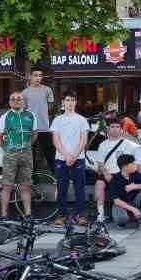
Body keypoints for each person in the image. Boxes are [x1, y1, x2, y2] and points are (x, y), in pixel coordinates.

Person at [0, 91, 37, 219]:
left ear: (23, 101)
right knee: (7, 186)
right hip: (10, 155)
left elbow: (35, 134)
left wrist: (26, 146)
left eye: (19, 99)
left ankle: (28, 214)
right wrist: (7, 149)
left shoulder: (31, 115)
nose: (16, 101)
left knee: (25, 185)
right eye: (13, 99)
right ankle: (4, 215)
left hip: (26, 154)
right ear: (9, 102)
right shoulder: (5, 117)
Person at [50, 93, 89, 225]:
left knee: (79, 188)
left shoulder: (82, 120)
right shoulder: (57, 120)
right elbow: (56, 140)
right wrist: (66, 155)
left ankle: (80, 215)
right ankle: (61, 215)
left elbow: (84, 140)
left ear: (76, 102)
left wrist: (74, 155)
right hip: (61, 158)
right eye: (68, 100)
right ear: (63, 102)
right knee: (62, 188)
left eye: (73, 100)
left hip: (79, 158)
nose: (70, 102)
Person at [92, 122, 141, 220]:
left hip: (122, 174)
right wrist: (106, 173)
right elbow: (100, 163)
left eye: (117, 127)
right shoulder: (103, 145)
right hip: (108, 172)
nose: (115, 129)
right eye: (112, 127)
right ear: (108, 129)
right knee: (99, 184)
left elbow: (132, 162)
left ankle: (127, 212)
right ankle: (100, 214)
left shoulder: (128, 144)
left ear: (121, 129)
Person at [20, 69, 54, 170]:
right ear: (30, 76)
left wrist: (42, 113)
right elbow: (23, 110)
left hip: (44, 128)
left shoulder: (47, 90)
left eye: (40, 75)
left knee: (50, 154)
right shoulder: (24, 93)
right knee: (31, 156)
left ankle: (56, 176)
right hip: (30, 129)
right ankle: (33, 177)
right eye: (35, 75)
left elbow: (50, 105)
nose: (38, 78)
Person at [109, 154, 141, 228]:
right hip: (121, 204)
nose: (135, 165)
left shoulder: (135, 174)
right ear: (125, 167)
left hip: (134, 201)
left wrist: (134, 186)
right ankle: (122, 222)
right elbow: (116, 201)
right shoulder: (115, 179)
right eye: (132, 164)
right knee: (121, 219)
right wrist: (133, 209)